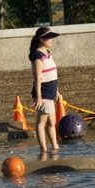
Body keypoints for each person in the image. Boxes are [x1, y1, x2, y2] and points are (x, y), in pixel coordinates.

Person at [29, 27, 62, 156]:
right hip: (44, 93)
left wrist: (57, 93)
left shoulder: (47, 53)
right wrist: (39, 97)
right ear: (42, 39)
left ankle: (54, 146)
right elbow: (38, 78)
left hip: (51, 92)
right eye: (49, 37)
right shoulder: (38, 56)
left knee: (51, 122)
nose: (51, 40)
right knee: (41, 122)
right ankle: (44, 149)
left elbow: (53, 75)